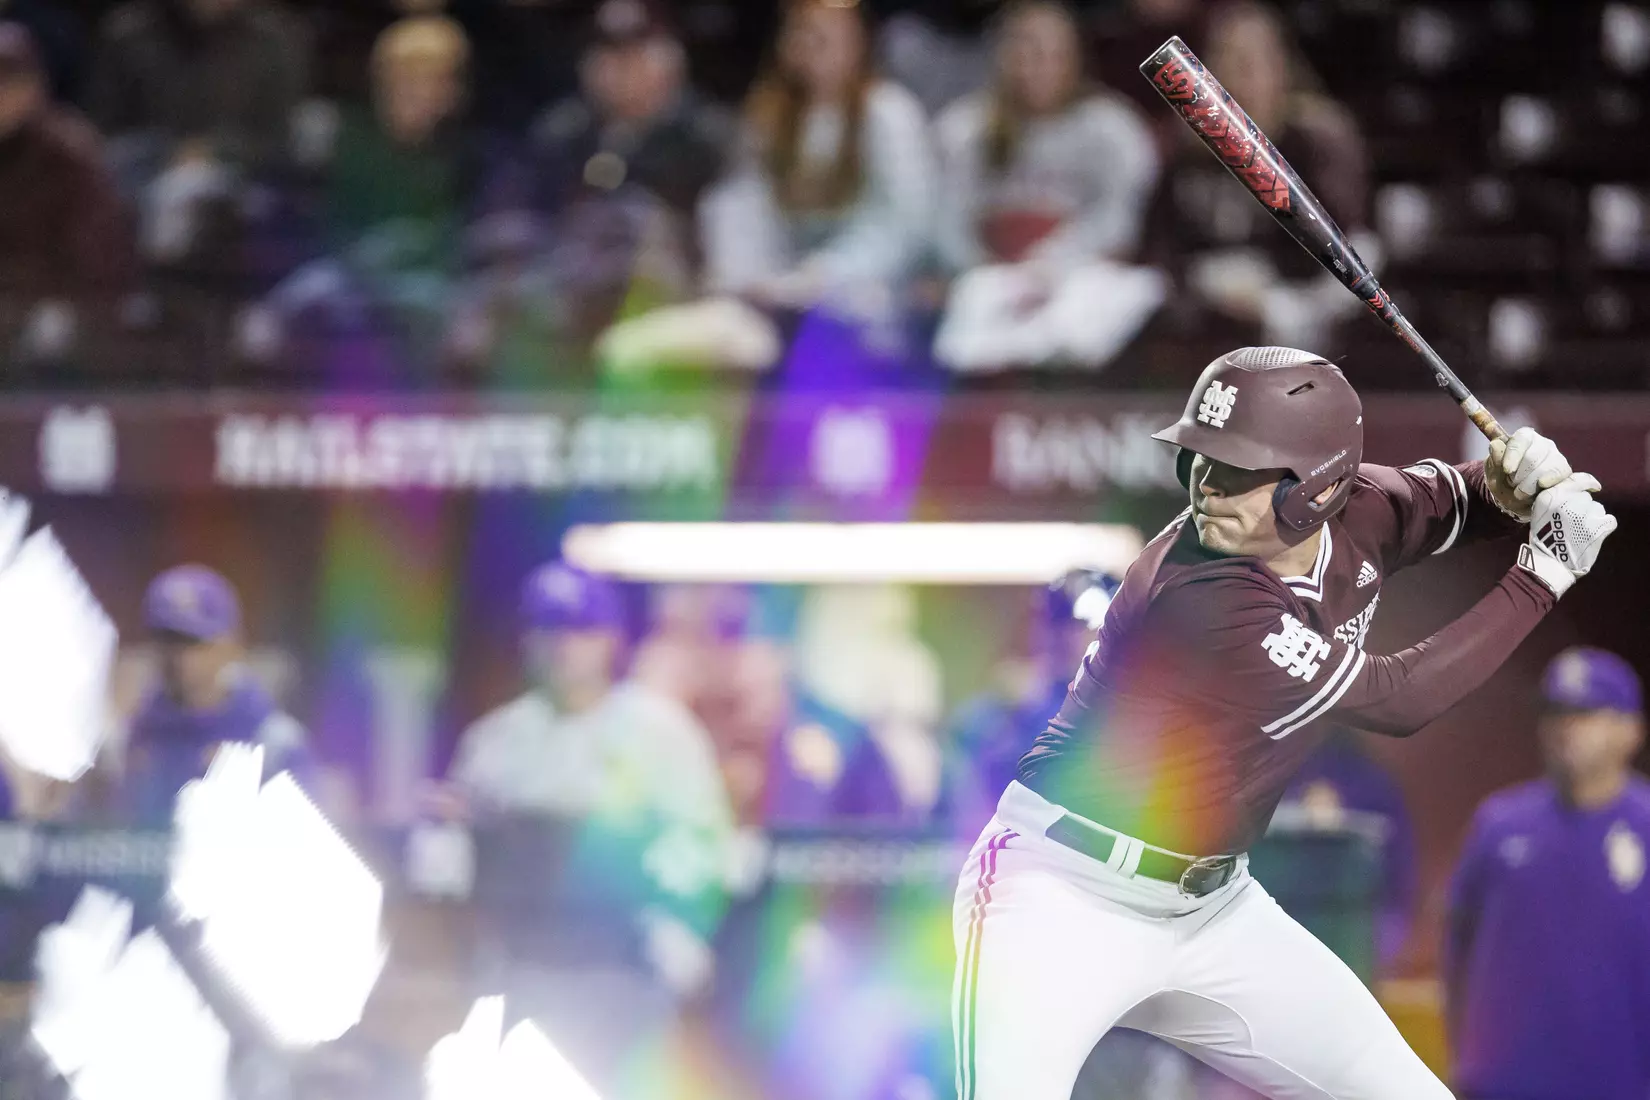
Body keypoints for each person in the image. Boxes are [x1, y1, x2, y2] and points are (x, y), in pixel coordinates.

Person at [952, 345, 1615, 1100]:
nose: (1208, 489)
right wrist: (1546, 570)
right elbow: (1399, 699)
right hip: (1060, 894)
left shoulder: (1366, 505)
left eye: (1240, 470)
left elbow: (1458, 502)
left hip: (1211, 910)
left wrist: (1507, 486)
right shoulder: (1201, 592)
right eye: (1201, 460)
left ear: (1319, 488)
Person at [443, 562, 735, 1096]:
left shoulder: (660, 735)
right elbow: (459, 864)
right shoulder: (496, 741)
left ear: (609, 639)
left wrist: (678, 935)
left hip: (621, 972)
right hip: (520, 972)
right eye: (547, 629)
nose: (562, 646)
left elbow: (705, 851)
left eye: (578, 629)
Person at [1444, 647, 1650, 1100]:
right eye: (1555, 713)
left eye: (1585, 713)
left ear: (1631, 730)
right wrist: (1464, 1060)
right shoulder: (1499, 826)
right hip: (1503, 1086)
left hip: (1621, 1084)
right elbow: (1457, 948)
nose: (1565, 729)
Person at [1137, 1, 1374, 372]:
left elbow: (1337, 235)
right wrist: (1204, 284)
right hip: (1213, 285)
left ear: (1282, 67)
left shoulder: (1315, 137)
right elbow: (1159, 238)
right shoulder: (1189, 145)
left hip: (1301, 287)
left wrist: (1264, 290)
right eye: (1230, 59)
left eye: (1255, 59)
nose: (1242, 72)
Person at [933, 0, 1164, 373]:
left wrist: (1053, 262)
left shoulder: (1113, 129)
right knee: (976, 299)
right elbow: (947, 219)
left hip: (1079, 274)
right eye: (1022, 50)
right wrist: (978, 263)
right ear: (1000, 56)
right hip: (990, 275)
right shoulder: (964, 129)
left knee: (1127, 291)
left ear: (1074, 58)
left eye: (1047, 53)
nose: (1034, 65)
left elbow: (1118, 219)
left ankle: (1062, 386)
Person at [700, 0, 932, 325]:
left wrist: (826, 273)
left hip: (869, 287)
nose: (810, 47)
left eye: (824, 36)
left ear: (857, 42)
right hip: (781, 281)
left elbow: (904, 224)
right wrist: (747, 274)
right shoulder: (768, 117)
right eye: (801, 34)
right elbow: (742, 201)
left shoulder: (887, 113)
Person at [115, 564, 310, 826]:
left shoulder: (273, 742)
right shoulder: (131, 738)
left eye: (193, 641)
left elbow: (304, 842)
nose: (179, 656)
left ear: (229, 644)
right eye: (168, 639)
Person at [0, 22, 134, 361]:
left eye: (10, 83)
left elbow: (98, 258)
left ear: (35, 86)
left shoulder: (69, 152)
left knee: (51, 330)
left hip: (53, 302)